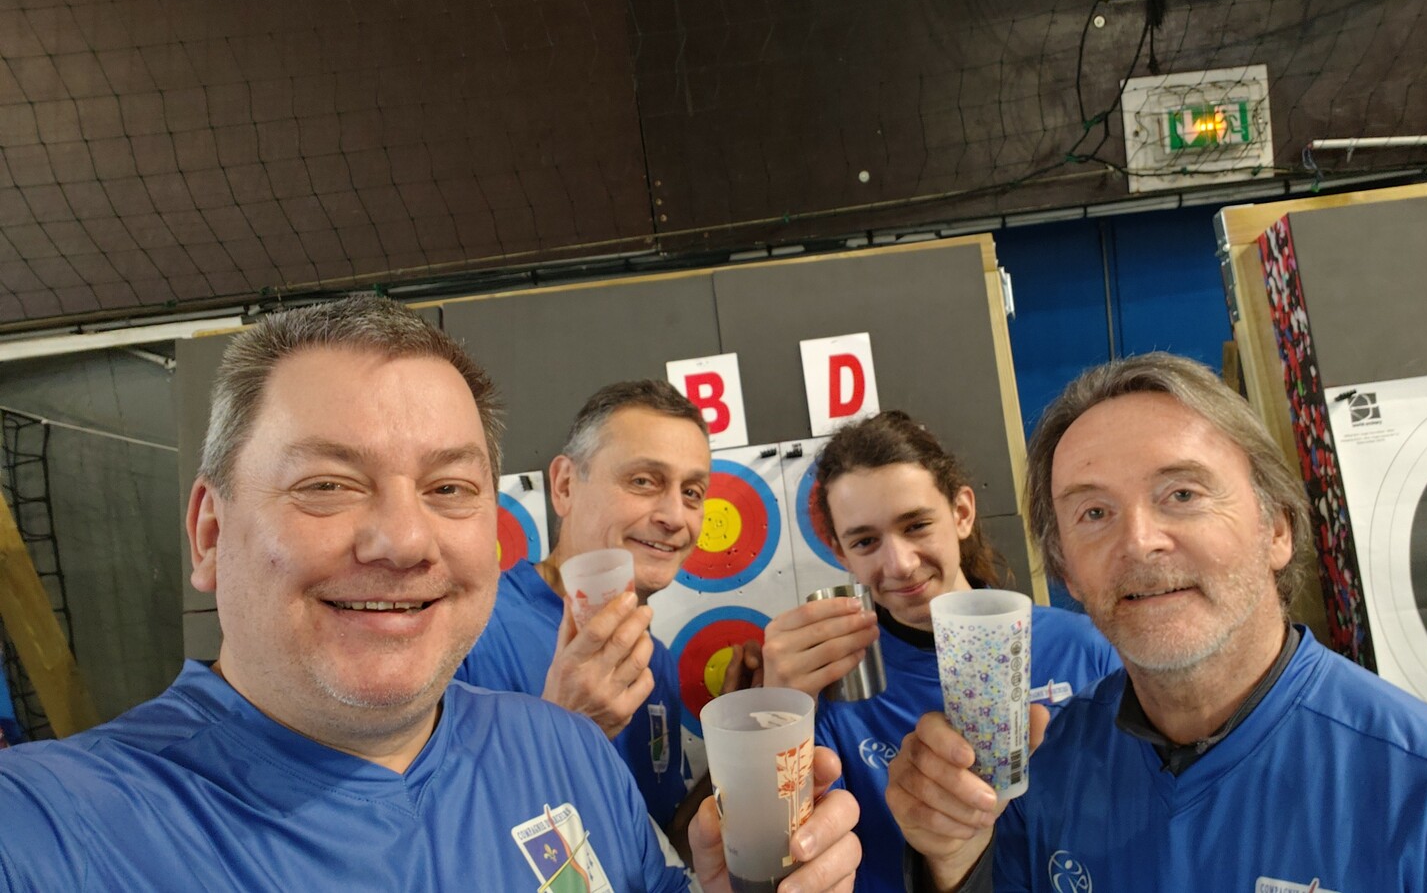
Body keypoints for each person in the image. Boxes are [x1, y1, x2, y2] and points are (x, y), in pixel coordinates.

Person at [0, 295, 861, 891]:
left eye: (448, 488)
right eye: (329, 484)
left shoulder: (567, 750)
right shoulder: (55, 827)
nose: (405, 541)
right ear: (210, 533)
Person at [885, 352, 1427, 891]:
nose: (1139, 542)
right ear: (1067, 569)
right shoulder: (1047, 776)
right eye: (1094, 512)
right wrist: (952, 860)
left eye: (1182, 494)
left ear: (1277, 528)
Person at [760, 410, 1118, 893]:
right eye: (865, 541)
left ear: (962, 513)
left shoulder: (1085, 647)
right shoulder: (833, 688)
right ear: (842, 554)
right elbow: (788, 860)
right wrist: (776, 717)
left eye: (916, 525)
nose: (899, 564)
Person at [456, 380, 723, 842]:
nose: (676, 516)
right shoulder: (470, 630)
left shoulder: (655, 661)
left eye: (693, 492)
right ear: (564, 486)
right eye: (644, 481)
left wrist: (741, 731)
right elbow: (443, 843)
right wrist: (563, 729)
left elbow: (659, 840)